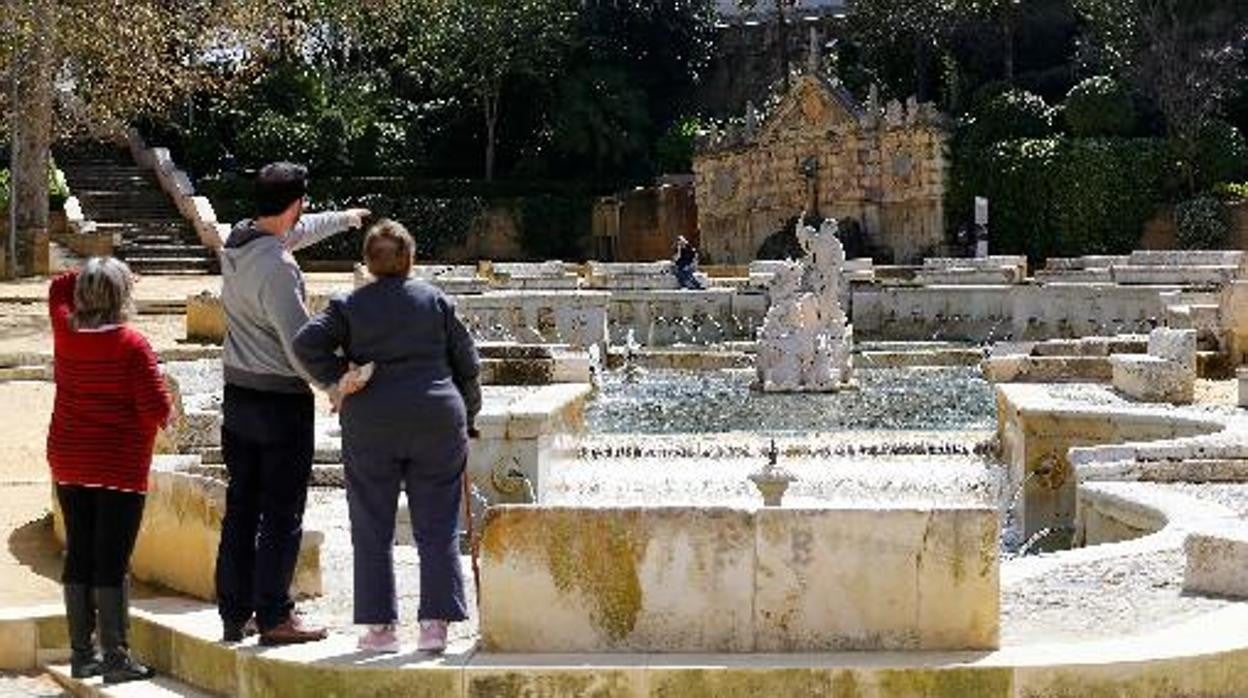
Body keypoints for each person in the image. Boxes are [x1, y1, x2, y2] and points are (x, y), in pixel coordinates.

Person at [293, 220, 481, 654]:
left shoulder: (348, 304)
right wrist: (468, 416)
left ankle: (380, 628)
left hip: (372, 422)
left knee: (371, 524)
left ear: (367, 263)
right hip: (436, 417)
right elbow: (467, 365)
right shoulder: (435, 300)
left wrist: (338, 379)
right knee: (437, 526)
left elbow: (305, 345)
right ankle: (436, 626)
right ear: (411, 259)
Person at [215, 162, 369, 646]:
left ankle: (234, 612)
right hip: (277, 406)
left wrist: (344, 218)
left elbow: (292, 232)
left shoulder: (240, 241)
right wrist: (337, 385)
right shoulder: (278, 268)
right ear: (296, 203)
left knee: (241, 509)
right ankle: (276, 616)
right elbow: (300, 344)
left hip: (238, 397)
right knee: (282, 513)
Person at [47, 258, 173, 684]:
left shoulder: (66, 329)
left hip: (69, 459)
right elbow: (156, 409)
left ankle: (83, 655)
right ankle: (117, 657)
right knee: (112, 561)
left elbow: (56, 288)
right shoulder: (132, 345)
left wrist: (93, 270)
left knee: (79, 553)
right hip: (117, 465)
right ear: (122, 296)